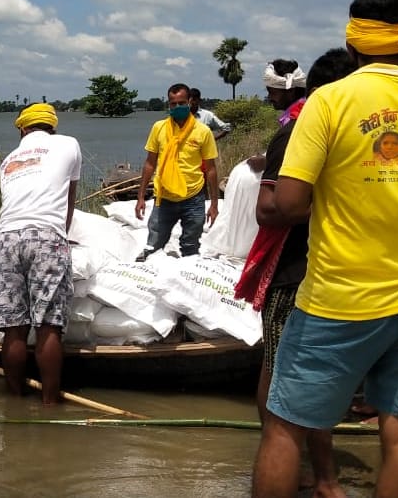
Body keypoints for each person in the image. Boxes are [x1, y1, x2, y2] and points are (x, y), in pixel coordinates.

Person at [251, 0, 398, 498]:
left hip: (338, 299)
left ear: (353, 43)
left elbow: (286, 204)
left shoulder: (330, 101)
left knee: (285, 426)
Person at [237, 47, 355, 498]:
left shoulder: (329, 132)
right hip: (293, 271)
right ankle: (301, 468)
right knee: (283, 369)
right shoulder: (295, 136)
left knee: (309, 373)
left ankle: (316, 473)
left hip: (326, 269)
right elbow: (269, 210)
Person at [0, 103, 81, 405]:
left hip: (7, 238)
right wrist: (62, 236)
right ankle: (50, 404)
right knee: (48, 325)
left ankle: (14, 402)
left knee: (14, 329)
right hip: (46, 236)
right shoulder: (68, 144)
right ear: (52, 125)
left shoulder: (8, 160)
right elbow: (69, 197)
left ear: (21, 129)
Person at [134, 83, 220, 261]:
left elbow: (211, 169)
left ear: (190, 102)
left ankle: (189, 277)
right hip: (164, 196)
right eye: (173, 104)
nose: (177, 107)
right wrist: (141, 196)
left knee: (190, 246)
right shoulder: (159, 128)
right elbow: (150, 163)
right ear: (168, 104)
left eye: (181, 103)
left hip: (193, 197)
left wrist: (214, 204)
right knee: (154, 244)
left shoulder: (203, 132)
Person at [262, 59, 307, 126]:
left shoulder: (296, 120)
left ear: (290, 91)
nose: (269, 98)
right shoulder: (308, 110)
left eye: (272, 93)